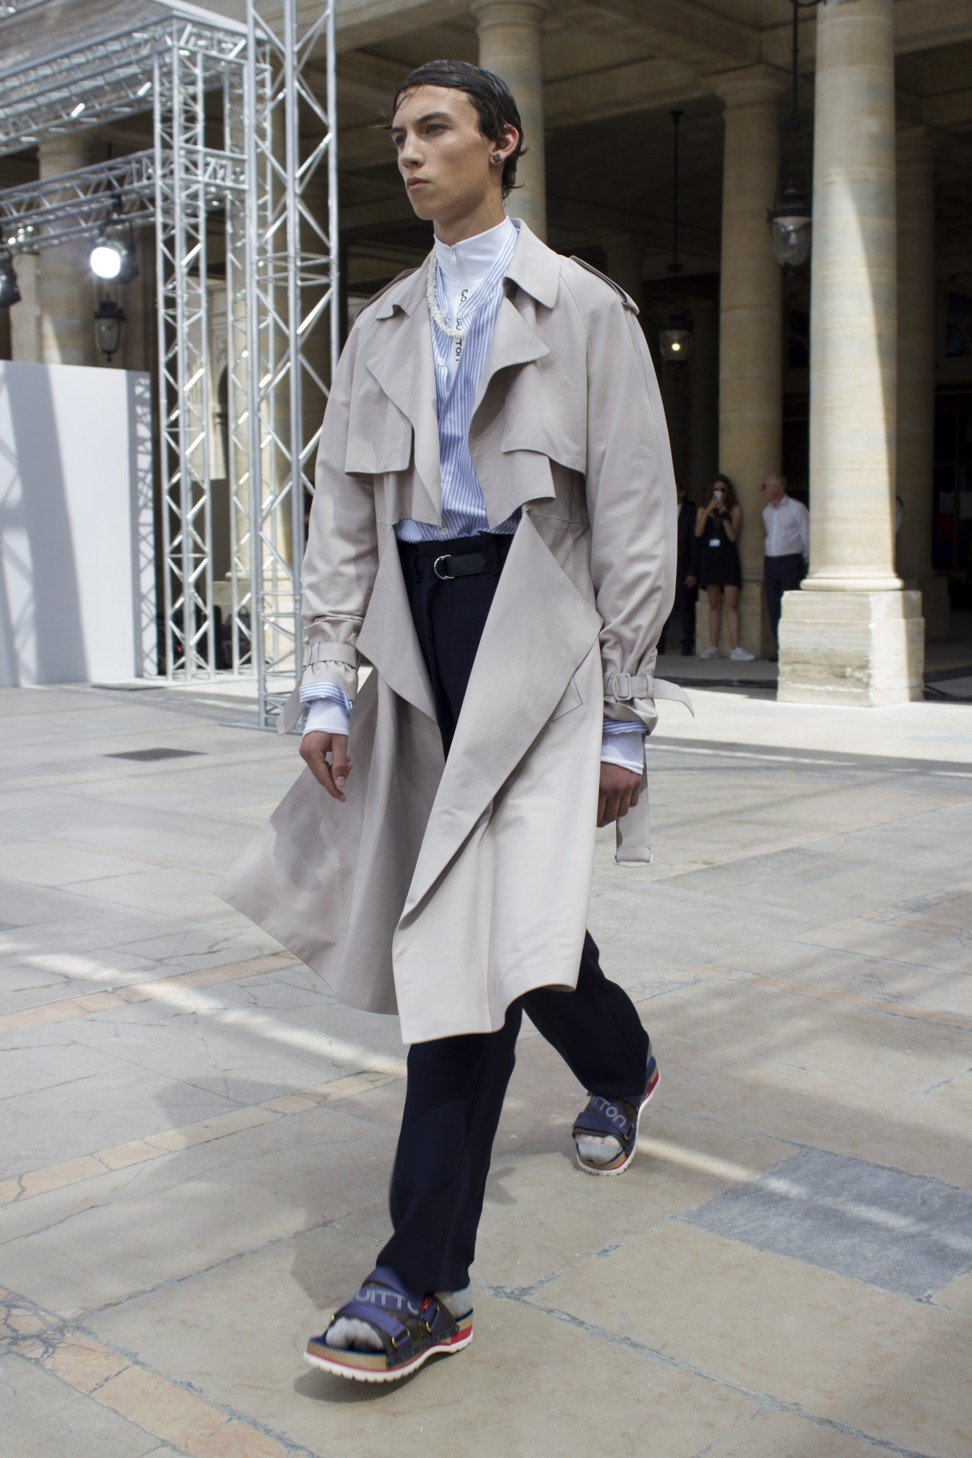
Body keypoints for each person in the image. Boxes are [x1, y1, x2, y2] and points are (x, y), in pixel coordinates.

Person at [220, 58, 686, 1385]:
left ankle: (420, 1277)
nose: (410, 154)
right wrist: (324, 680)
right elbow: (343, 518)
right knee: (510, 930)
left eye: (434, 130)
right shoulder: (378, 327)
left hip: (540, 636)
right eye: (398, 135)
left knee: (473, 952)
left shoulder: (585, 310)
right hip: (415, 648)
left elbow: (639, 518)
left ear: (504, 141)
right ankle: (625, 1055)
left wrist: (630, 717)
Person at [695, 473, 753, 661]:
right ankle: (712, 646)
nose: (719, 493)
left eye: (722, 490)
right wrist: (710, 509)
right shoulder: (703, 509)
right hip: (710, 559)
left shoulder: (735, 509)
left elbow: (733, 536)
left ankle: (736, 647)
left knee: (731, 604)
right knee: (714, 604)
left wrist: (725, 515)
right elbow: (698, 532)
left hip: (728, 558)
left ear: (728, 492)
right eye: (716, 489)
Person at [761, 471, 809, 641]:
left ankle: (792, 643)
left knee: (789, 605)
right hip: (771, 562)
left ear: (777, 487)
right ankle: (779, 645)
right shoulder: (766, 511)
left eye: (765, 486)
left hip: (790, 562)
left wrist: (805, 562)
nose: (763, 490)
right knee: (773, 606)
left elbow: (807, 536)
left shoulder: (797, 508)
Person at [658, 481, 698, 655]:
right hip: (663, 570)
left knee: (686, 609)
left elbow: (695, 546)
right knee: (661, 610)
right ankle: (659, 645)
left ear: (681, 493)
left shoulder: (690, 514)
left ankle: (687, 645)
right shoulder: (659, 513)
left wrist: (692, 572)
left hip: (683, 569)